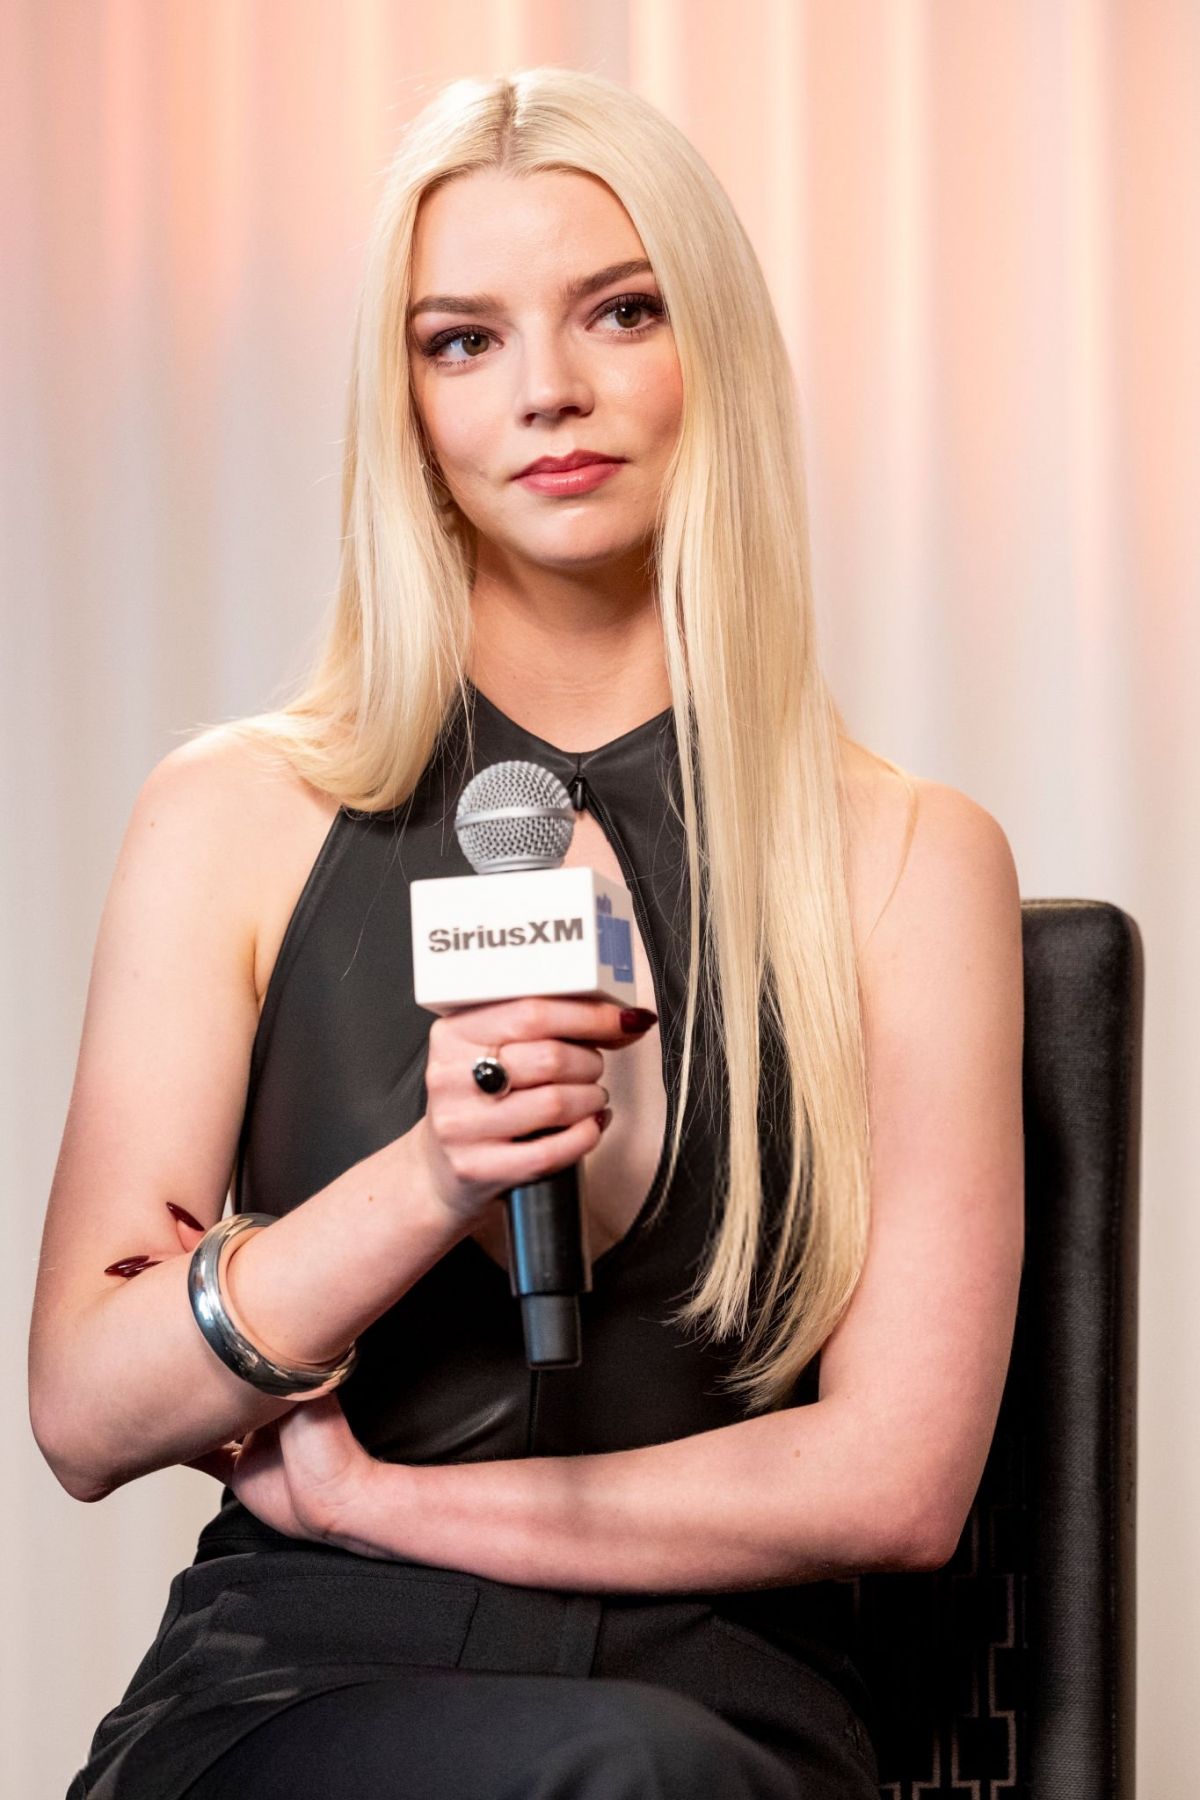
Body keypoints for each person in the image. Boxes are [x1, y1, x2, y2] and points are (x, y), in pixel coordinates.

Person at [30, 65, 1025, 1800]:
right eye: (461, 341)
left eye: (618, 311)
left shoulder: (909, 858)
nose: (548, 391)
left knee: (626, 1772)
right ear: (404, 407)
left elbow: (895, 1483)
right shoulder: (236, 817)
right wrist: (430, 1176)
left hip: (718, 1706)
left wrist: (387, 1498)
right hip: (300, 1692)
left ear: (705, 343)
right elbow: (88, 1413)